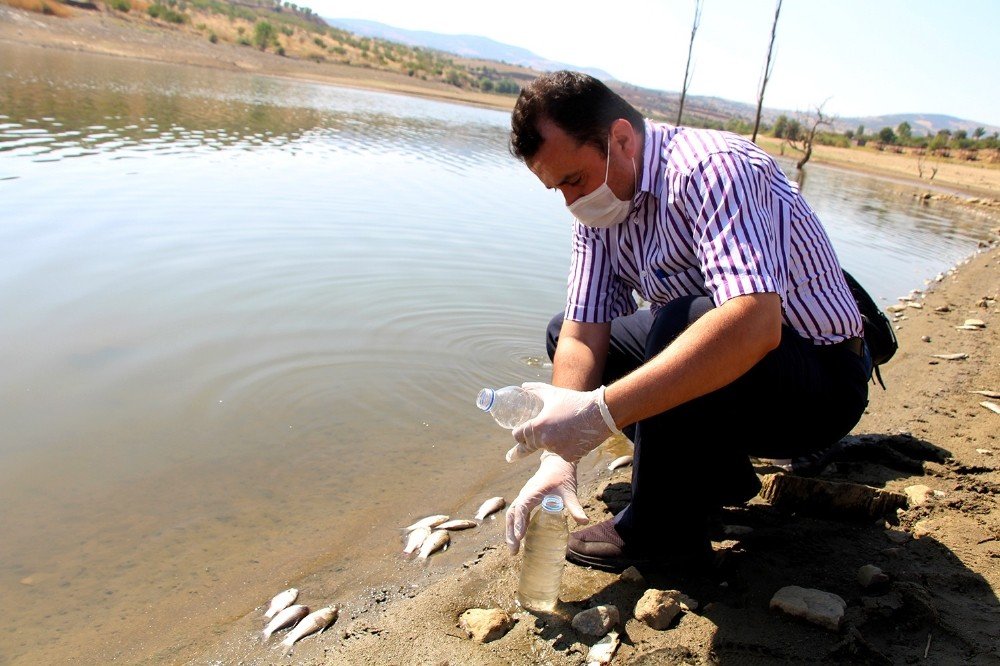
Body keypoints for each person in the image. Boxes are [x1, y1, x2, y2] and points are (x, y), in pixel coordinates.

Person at [502, 71, 872, 573]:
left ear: (621, 140)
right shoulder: (600, 209)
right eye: (557, 189)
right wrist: (559, 457)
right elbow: (583, 331)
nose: (571, 201)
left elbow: (755, 324)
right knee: (566, 332)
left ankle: (663, 530)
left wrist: (598, 415)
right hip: (736, 376)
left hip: (817, 383)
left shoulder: (714, 169)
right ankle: (718, 478)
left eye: (574, 180)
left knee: (682, 319)